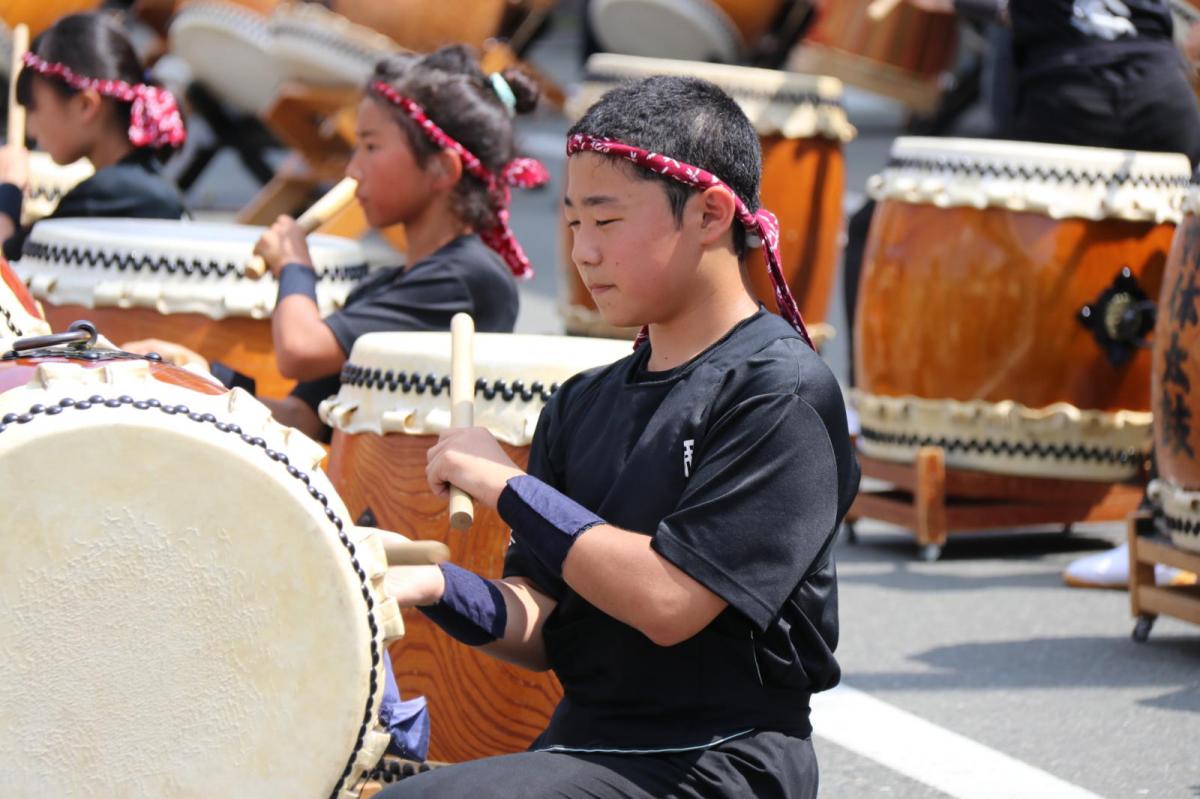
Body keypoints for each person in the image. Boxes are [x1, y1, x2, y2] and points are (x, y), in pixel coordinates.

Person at [375, 75, 860, 798]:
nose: (583, 254)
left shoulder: (779, 392)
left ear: (710, 213)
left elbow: (669, 601)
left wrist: (506, 484)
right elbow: (543, 620)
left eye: (605, 222)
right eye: (572, 224)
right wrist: (434, 585)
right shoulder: (583, 401)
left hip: (718, 759)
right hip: (590, 745)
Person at [129, 46, 542, 442]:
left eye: (370, 146)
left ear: (441, 167)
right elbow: (299, 420)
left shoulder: (465, 277)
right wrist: (197, 377)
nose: (353, 168)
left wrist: (294, 266)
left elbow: (300, 350)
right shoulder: (389, 287)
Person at [0, 12, 188, 262]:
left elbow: (8, 269)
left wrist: (9, 187)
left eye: (34, 108)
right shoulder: (137, 187)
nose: (31, 129)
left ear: (85, 106)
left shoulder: (109, 196)